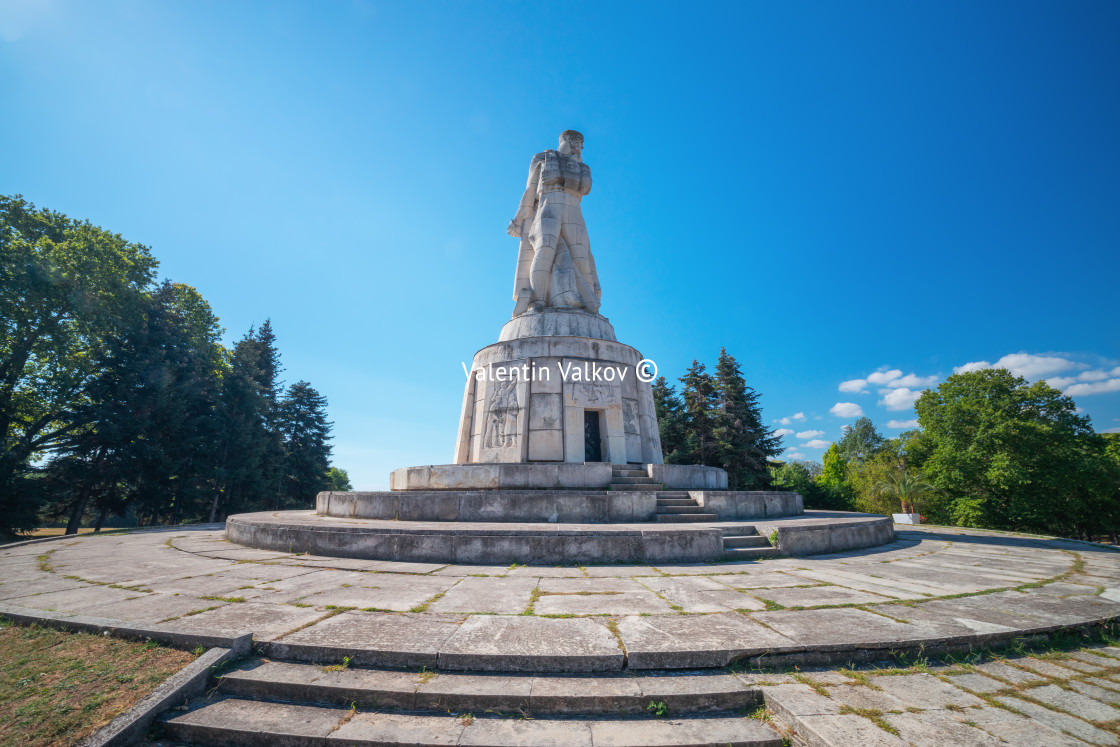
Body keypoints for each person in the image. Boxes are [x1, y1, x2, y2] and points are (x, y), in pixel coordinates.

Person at [507, 130, 602, 315]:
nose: (582, 148)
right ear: (569, 140)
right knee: (544, 250)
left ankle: (590, 307)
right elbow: (530, 190)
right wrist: (518, 219)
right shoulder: (542, 158)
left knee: (582, 258)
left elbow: (585, 185)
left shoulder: (583, 167)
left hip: (573, 211)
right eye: (579, 142)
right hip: (548, 206)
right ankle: (538, 301)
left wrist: (559, 178)